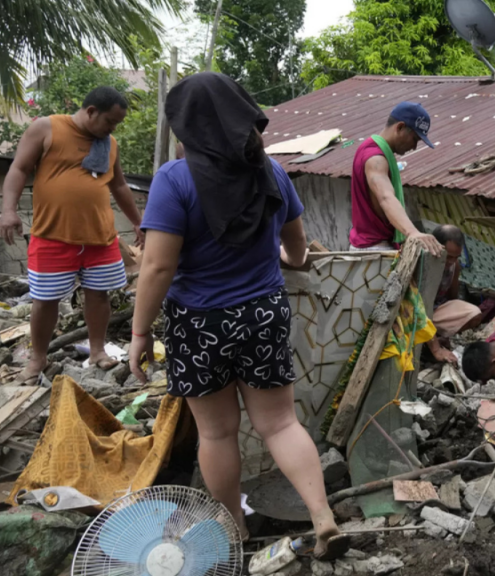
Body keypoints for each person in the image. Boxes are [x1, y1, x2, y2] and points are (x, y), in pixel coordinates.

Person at [127, 72, 345, 559]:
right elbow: (297, 249)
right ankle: (322, 516)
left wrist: (140, 331)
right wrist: (288, 262)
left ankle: (235, 533)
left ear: (187, 127)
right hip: (264, 314)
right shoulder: (272, 173)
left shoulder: (174, 180)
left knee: (217, 432)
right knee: (282, 424)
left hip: (200, 322)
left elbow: (159, 265)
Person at [0, 87, 143, 383]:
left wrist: (139, 223)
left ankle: (98, 350)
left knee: (99, 295)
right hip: (52, 236)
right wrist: (8, 210)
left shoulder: (109, 143)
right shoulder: (47, 128)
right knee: (45, 300)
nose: (113, 129)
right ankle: (37, 359)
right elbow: (19, 168)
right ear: (91, 112)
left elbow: (120, 186)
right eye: (110, 122)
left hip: (100, 237)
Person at [349, 102, 443, 256]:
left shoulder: (375, 150)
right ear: (399, 128)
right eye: (414, 139)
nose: (413, 147)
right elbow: (385, 197)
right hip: (375, 250)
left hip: (373, 246)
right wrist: (412, 232)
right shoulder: (375, 158)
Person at [426, 225, 483, 364]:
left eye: (455, 257)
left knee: (474, 314)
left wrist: (453, 327)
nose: (451, 261)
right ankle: (428, 344)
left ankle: (438, 338)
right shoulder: (424, 264)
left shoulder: (454, 265)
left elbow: (452, 298)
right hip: (416, 314)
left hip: (436, 311)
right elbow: (416, 306)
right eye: (448, 256)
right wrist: (436, 350)